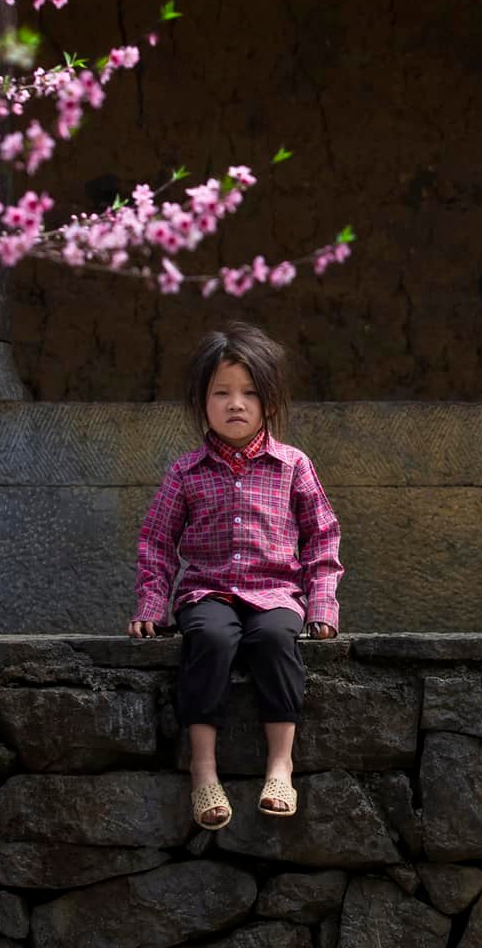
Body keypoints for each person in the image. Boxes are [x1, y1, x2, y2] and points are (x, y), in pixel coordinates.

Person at [129, 323, 345, 827]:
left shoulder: (293, 466)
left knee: (273, 640)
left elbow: (322, 538)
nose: (236, 404)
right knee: (209, 638)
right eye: (221, 392)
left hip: (275, 593)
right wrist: (150, 605)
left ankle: (280, 764)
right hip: (208, 591)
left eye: (249, 392)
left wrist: (321, 605)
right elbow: (157, 542)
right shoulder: (186, 472)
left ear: (269, 401)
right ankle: (204, 771)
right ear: (201, 402)